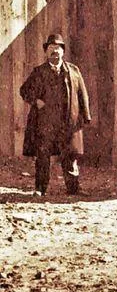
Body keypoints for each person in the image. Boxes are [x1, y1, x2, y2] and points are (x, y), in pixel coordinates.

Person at [20, 33, 91, 197]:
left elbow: (82, 93)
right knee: (43, 157)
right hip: (45, 123)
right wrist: (36, 100)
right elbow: (23, 91)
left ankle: (73, 189)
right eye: (51, 48)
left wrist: (85, 115)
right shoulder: (39, 72)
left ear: (63, 52)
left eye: (58, 48)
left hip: (68, 122)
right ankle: (40, 188)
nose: (55, 52)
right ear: (46, 52)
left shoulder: (73, 71)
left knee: (70, 156)